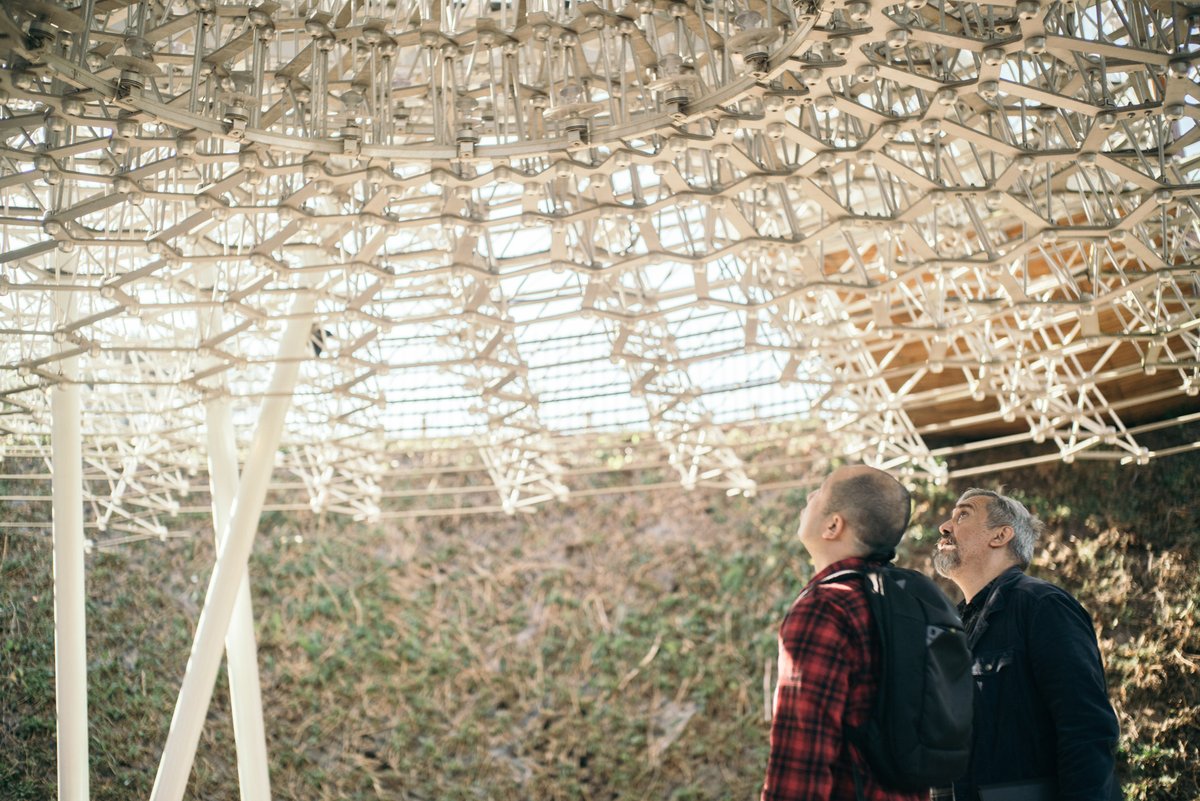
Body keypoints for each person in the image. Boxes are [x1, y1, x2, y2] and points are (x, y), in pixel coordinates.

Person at [932, 488, 1120, 801]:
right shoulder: (955, 624)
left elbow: (1086, 730)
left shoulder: (1043, 607)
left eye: (962, 515)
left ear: (1001, 535)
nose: (945, 526)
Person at [761, 464, 926, 801]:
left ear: (833, 525)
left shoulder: (826, 607)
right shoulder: (911, 603)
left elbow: (802, 756)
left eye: (819, 492)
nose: (809, 496)